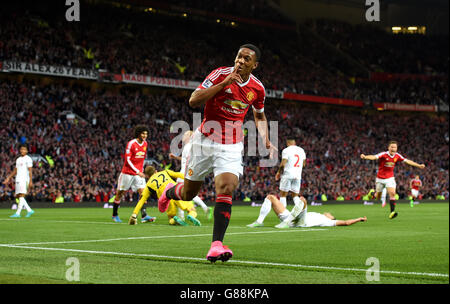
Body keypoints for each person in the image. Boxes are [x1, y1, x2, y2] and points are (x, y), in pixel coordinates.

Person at [158, 44, 276, 263]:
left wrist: (266, 139)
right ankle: (169, 191)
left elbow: (259, 116)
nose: (240, 61)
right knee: (188, 194)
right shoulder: (219, 74)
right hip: (204, 140)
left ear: (254, 65)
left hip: (231, 144)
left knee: (227, 187)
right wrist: (224, 83)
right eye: (239, 57)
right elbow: (194, 101)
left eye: (246, 59)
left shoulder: (258, 88)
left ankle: (216, 244)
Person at [247, 138, 306, 227]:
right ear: (295, 142)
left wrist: (278, 172)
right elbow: (304, 164)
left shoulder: (286, 150)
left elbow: (283, 163)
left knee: (283, 195)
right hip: (298, 175)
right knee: (295, 196)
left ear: (288, 142)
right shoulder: (301, 150)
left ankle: (284, 217)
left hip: (288, 174)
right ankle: (301, 218)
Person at [360, 140, 425, 219]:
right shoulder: (383, 154)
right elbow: (374, 157)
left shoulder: (397, 156)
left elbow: (407, 161)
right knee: (378, 197)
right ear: (388, 148)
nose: (393, 148)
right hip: (380, 178)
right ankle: (372, 193)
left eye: (395, 147)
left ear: (397, 148)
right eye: (392, 147)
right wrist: (365, 157)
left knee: (392, 193)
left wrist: (418, 165)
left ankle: (392, 212)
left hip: (390, 178)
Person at [128, 166, 201, 226]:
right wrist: (191, 180)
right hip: (175, 191)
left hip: (166, 198)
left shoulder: (148, 185)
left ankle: (174, 220)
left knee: (170, 217)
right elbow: (178, 174)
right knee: (191, 209)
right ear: (155, 171)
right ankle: (191, 215)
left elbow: (142, 201)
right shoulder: (165, 172)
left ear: (147, 176)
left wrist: (134, 214)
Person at [112, 125, 155, 223]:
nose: (145, 135)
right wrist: (137, 171)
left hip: (139, 173)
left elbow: (142, 158)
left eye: (146, 134)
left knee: (143, 193)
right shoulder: (131, 144)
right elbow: (127, 160)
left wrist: (141, 170)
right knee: (120, 193)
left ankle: (144, 215)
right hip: (127, 172)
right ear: (138, 133)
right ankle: (115, 214)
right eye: (143, 133)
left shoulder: (145, 144)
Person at [247, 194, 366, 228]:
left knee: (303, 200)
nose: (327, 213)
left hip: (300, 222)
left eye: (330, 214)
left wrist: (359, 219)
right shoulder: (320, 215)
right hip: (292, 217)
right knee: (270, 197)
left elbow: (345, 223)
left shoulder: (328, 222)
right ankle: (259, 221)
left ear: (331, 217)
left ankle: (287, 222)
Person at [169, 130, 213, 220]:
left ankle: (181, 217)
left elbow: (189, 160)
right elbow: (185, 159)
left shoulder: (188, 147)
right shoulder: (190, 147)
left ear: (189, 137)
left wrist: (187, 172)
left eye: (185, 135)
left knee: (178, 193)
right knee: (187, 193)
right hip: (187, 172)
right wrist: (175, 157)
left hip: (184, 173)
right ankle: (205, 208)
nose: (183, 137)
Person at [3, 144, 35, 218]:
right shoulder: (18, 159)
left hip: (24, 179)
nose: (22, 151)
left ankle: (18, 213)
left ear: (27, 151)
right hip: (18, 178)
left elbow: (30, 171)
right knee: (18, 196)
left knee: (21, 195)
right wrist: (8, 178)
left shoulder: (28, 159)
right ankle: (29, 210)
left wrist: (30, 181)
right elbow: (15, 170)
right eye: (21, 149)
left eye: (24, 149)